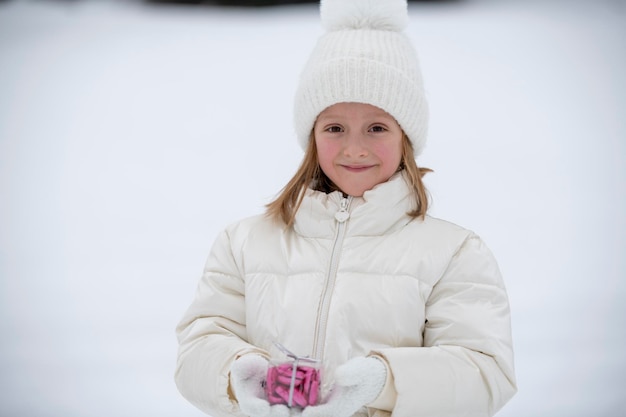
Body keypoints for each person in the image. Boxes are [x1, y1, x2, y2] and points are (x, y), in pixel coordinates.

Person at [174, 0, 517, 416]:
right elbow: (198, 347)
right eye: (335, 128)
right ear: (312, 137)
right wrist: (237, 374)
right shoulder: (243, 242)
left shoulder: (455, 252)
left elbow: (485, 374)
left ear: (405, 137)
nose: (355, 149)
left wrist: (382, 383)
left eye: (377, 127)